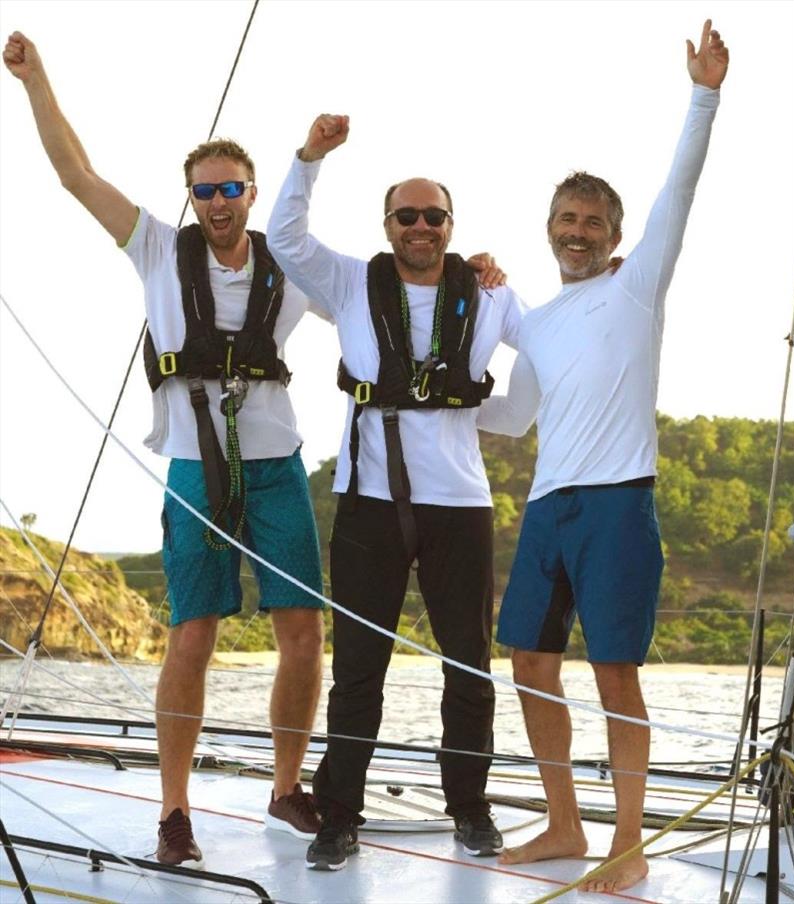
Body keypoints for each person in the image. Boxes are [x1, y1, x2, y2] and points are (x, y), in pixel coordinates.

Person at [2, 31, 329, 865]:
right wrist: (38, 81)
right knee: (194, 634)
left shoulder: (289, 264)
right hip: (194, 469)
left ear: (252, 194)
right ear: (190, 202)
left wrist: (466, 272)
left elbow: (375, 292)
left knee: (301, 629)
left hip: (276, 463)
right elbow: (76, 176)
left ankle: (287, 789)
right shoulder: (154, 247)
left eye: (229, 189)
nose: (216, 203)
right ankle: (175, 812)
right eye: (202, 192)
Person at [475, 20, 729, 894]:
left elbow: (679, 192)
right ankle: (564, 823)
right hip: (548, 511)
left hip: (619, 504)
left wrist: (704, 93)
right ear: (550, 231)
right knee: (531, 665)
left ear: (614, 234)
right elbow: (510, 419)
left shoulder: (637, 284)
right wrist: (441, 392)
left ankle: (629, 843)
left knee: (614, 674)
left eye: (592, 221)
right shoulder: (538, 324)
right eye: (566, 220)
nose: (577, 231)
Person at [266, 115, 528, 871]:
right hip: (368, 503)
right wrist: (309, 157)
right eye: (407, 216)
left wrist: (500, 417)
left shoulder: (489, 294)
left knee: (469, 665)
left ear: (452, 226)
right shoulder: (350, 281)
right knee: (359, 670)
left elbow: (546, 355)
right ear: (387, 225)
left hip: (460, 505)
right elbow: (284, 238)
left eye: (434, 216)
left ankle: (471, 809)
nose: (421, 226)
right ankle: (339, 816)